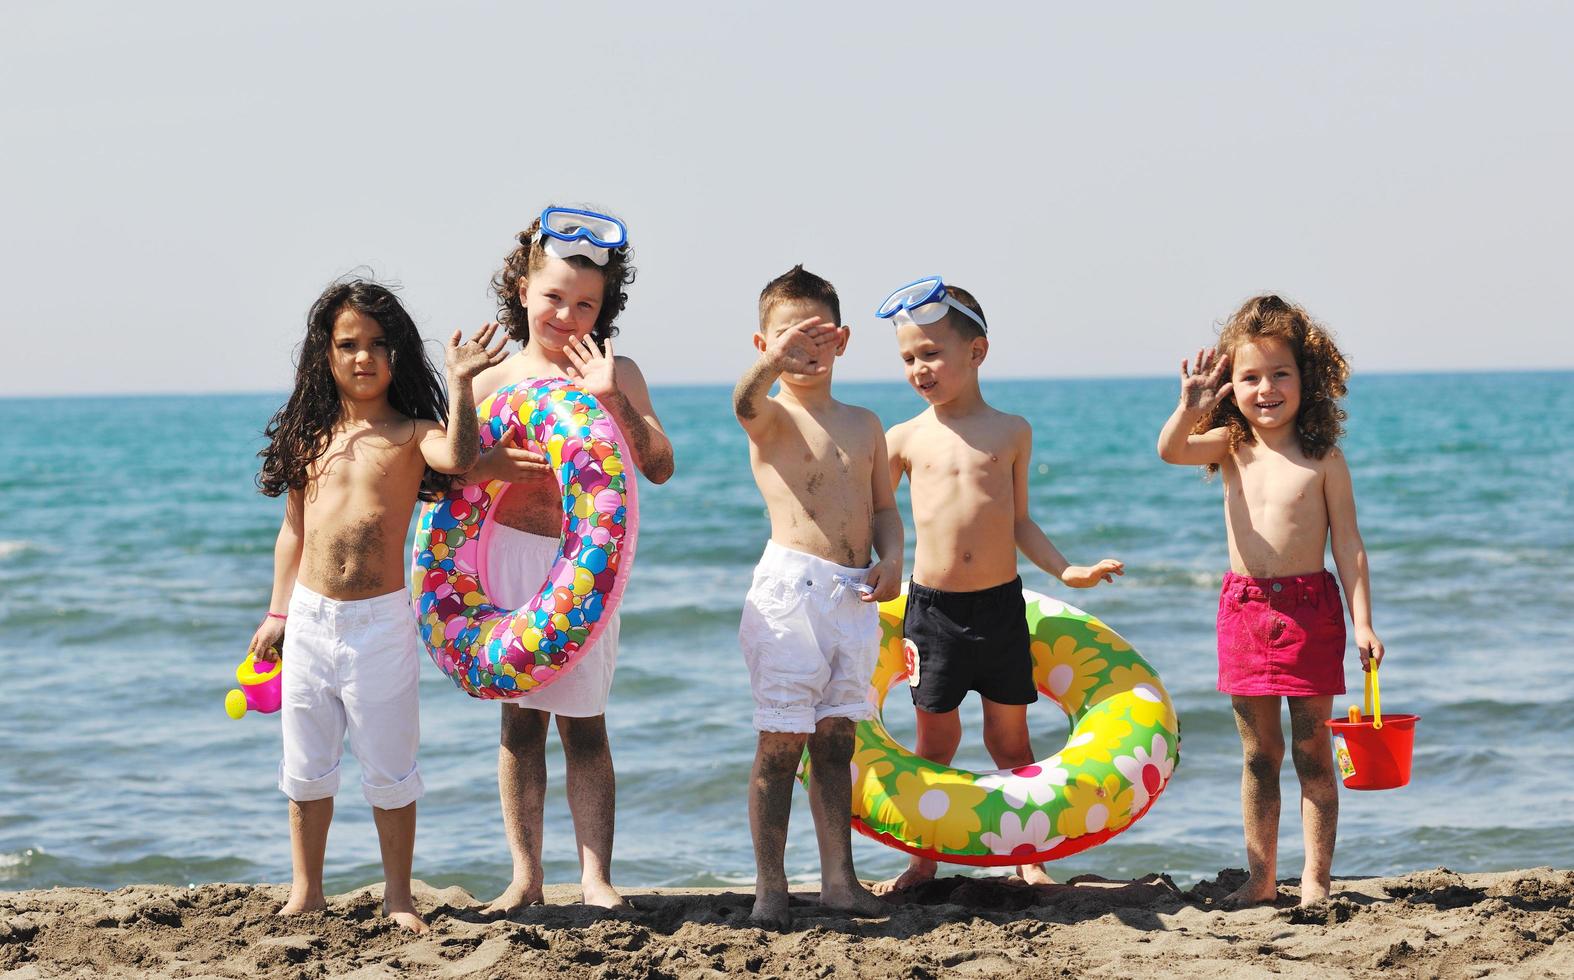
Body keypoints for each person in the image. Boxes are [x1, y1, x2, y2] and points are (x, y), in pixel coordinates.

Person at [249, 278, 505, 932]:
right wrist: (277, 613)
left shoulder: (414, 432)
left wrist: (464, 382)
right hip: (309, 618)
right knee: (306, 768)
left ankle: (399, 895)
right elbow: (293, 532)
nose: (363, 356)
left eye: (378, 344)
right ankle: (307, 890)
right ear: (325, 355)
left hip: (381, 624)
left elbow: (461, 455)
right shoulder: (310, 436)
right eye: (348, 344)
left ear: (399, 356)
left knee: (392, 768)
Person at [875, 277, 1124, 894]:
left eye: (931, 353)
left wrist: (1067, 570)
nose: (919, 369)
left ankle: (1027, 856)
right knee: (935, 743)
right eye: (908, 358)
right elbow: (876, 515)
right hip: (930, 612)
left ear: (976, 352)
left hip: (1000, 608)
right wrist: (865, 566)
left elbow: (1019, 521)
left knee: (1010, 741)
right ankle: (923, 859)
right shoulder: (903, 438)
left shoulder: (1011, 431)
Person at [459, 206, 674, 913]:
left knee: (586, 725)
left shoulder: (618, 371)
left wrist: (617, 403)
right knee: (520, 724)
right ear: (522, 288)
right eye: (554, 296)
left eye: (587, 304)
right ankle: (526, 877)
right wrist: (486, 456)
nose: (568, 315)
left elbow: (661, 466)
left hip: (582, 564)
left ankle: (595, 878)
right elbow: (448, 475)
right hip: (506, 558)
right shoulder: (495, 377)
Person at [1157, 293, 1384, 909]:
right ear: (1230, 385)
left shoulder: (1324, 459)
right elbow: (1171, 451)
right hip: (1245, 612)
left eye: (1280, 373)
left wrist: (1363, 623)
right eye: (1249, 376)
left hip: (1312, 611)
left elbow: (1351, 547)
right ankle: (1260, 879)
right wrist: (1189, 408)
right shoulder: (1230, 446)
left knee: (1312, 747)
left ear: (1306, 379)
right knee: (1259, 755)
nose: (1266, 388)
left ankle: (1315, 878)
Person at [733, 264, 901, 927]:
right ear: (763, 345)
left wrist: (895, 556)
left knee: (837, 743)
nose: (802, 347)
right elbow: (742, 401)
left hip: (854, 596)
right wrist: (768, 366)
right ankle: (770, 889)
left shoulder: (865, 423)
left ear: (843, 340)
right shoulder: (771, 416)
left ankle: (839, 881)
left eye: (816, 333)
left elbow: (884, 506)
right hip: (790, 594)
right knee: (781, 745)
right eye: (785, 337)